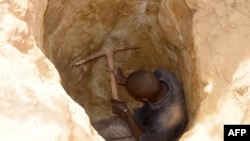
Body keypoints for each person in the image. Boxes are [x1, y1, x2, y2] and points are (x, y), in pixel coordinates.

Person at [93, 67, 188, 141]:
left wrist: (126, 114)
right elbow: (147, 84)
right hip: (151, 119)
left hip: (157, 138)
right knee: (109, 127)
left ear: (144, 99)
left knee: (113, 128)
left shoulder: (163, 123)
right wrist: (127, 81)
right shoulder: (163, 74)